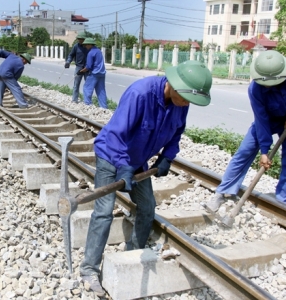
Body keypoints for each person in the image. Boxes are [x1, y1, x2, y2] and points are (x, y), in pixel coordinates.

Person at [80, 61, 213, 296]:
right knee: (104, 211)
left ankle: (134, 249)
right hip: (112, 155)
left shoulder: (182, 100)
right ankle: (89, 269)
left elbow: (177, 131)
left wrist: (166, 158)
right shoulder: (140, 94)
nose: (187, 103)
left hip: (139, 159)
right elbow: (118, 135)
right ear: (173, 83)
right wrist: (123, 167)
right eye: (185, 97)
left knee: (148, 206)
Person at [205, 50, 286, 213]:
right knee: (245, 151)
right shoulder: (255, 89)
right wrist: (264, 151)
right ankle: (224, 192)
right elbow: (261, 120)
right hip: (268, 119)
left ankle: (284, 204)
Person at [78, 38, 108, 108]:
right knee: (101, 91)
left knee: (87, 88)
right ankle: (104, 107)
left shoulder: (91, 53)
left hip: (94, 73)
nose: (85, 46)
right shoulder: (99, 51)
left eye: (86, 45)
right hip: (102, 73)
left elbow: (88, 66)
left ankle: (88, 104)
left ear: (90, 45)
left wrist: (81, 71)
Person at [65, 32, 88, 103]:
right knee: (76, 84)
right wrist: (68, 62)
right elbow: (71, 55)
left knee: (87, 85)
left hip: (87, 68)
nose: (80, 40)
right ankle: (74, 99)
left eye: (82, 39)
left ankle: (87, 101)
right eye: (79, 39)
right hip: (79, 67)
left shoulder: (88, 47)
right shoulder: (76, 46)